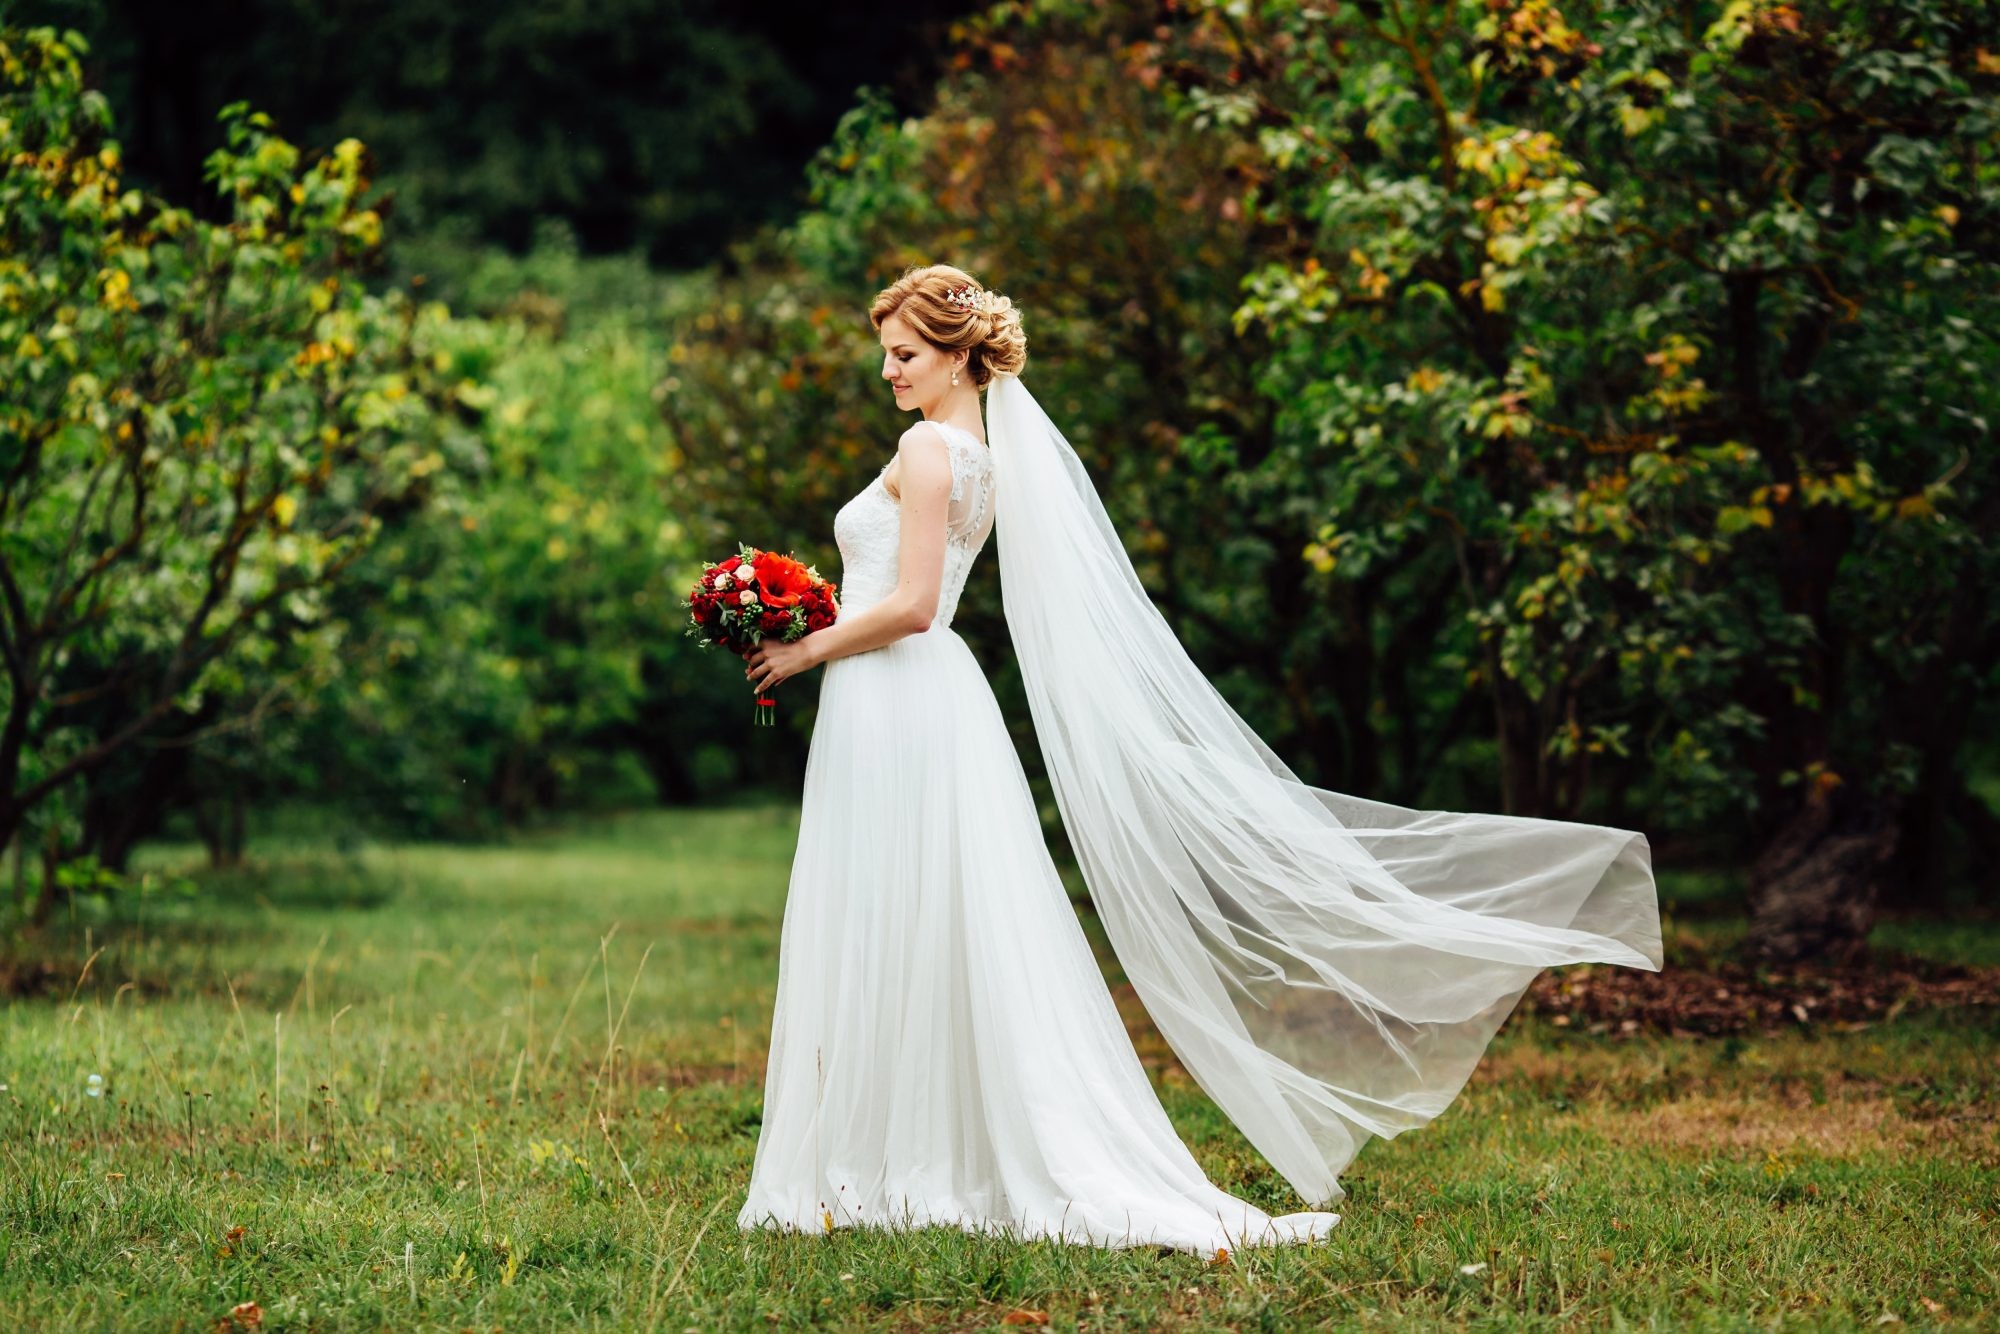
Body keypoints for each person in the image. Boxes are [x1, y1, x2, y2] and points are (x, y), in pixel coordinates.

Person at [735, 264, 1661, 1253]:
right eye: (883, 351)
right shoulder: (971, 452)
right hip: (901, 698)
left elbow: (916, 602)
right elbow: (892, 588)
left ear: (960, 355)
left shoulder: (928, 448)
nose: (887, 369)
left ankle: (892, 1153)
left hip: (900, 693)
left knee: (899, 908)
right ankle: (893, 1145)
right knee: (912, 913)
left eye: (905, 353)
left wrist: (801, 647)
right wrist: (789, 607)